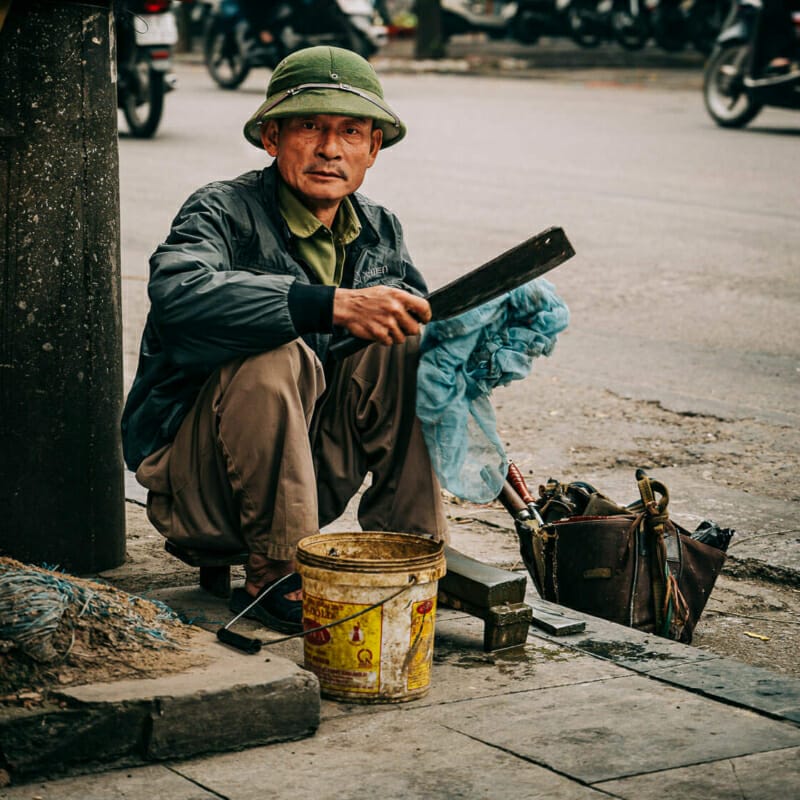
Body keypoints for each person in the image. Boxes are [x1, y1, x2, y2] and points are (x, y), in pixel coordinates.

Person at [121, 46, 448, 634]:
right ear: (272, 138)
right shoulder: (220, 209)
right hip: (202, 486)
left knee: (406, 344)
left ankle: (411, 552)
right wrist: (330, 305)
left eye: (350, 131)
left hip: (310, 479)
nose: (330, 148)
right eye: (309, 127)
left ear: (373, 149)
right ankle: (274, 569)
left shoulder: (380, 228)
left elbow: (412, 349)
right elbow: (179, 292)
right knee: (275, 350)